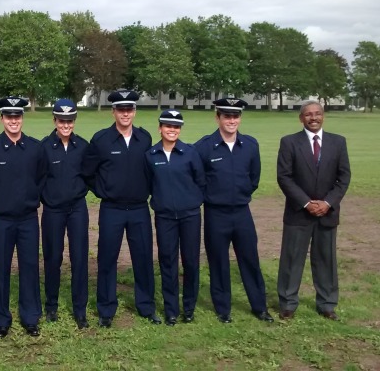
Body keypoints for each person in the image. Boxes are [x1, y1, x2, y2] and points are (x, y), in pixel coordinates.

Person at [81, 89, 160, 328]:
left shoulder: (144, 139)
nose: (125, 114)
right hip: (112, 209)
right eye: (120, 109)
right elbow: (88, 172)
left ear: (134, 111)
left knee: (143, 258)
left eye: (129, 109)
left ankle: (146, 307)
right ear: (113, 111)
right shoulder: (101, 139)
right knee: (107, 259)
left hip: (138, 209)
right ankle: (106, 309)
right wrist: (103, 191)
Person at [194, 98, 274, 323]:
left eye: (235, 116)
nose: (231, 120)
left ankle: (259, 307)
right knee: (218, 261)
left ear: (240, 118)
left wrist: (242, 192)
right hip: (215, 213)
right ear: (217, 117)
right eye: (226, 116)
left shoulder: (250, 145)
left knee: (250, 259)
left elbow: (254, 177)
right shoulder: (204, 146)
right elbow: (198, 179)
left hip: (241, 213)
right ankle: (223, 309)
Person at [0, 97, 47, 338]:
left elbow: (41, 178)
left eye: (17, 116)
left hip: (28, 219)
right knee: (0, 268)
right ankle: (1, 319)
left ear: (22, 118)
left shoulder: (36, 148)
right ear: (1, 119)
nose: (13, 120)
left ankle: (30, 317)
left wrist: (30, 198)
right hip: (1, 220)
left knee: (29, 268)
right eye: (9, 116)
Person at [276, 100, 351, 321]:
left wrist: (327, 203)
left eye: (317, 114)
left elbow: (344, 177)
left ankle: (327, 304)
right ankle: (288, 303)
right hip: (298, 213)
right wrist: (307, 203)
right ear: (301, 118)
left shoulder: (338, 142)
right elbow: (284, 177)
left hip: (327, 213)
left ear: (323, 116)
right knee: (291, 259)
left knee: (326, 259)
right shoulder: (289, 142)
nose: (313, 118)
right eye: (308, 115)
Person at [145, 110, 205, 326]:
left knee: (190, 261)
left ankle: (188, 307)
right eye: (168, 126)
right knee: (167, 261)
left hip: (190, 215)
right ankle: (171, 309)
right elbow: (149, 183)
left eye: (176, 127)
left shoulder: (190, 153)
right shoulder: (151, 155)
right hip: (165, 217)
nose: (172, 130)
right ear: (160, 128)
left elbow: (201, 180)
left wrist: (192, 201)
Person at [40, 99, 90, 329]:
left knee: (79, 258)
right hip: (53, 210)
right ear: (54, 120)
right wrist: (48, 199)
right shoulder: (44, 147)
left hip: (77, 209)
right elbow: (37, 179)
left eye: (70, 121)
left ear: (74, 121)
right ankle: (51, 305)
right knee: (53, 258)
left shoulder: (83, 145)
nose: (66, 125)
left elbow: (89, 175)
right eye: (62, 120)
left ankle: (80, 309)